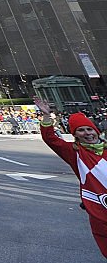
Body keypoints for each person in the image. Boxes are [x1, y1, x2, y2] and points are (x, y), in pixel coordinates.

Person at [36, 99, 107, 256]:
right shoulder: (74, 153)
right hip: (100, 209)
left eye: (90, 129)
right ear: (75, 135)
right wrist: (47, 116)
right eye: (81, 130)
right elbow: (50, 139)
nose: (87, 133)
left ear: (97, 131)